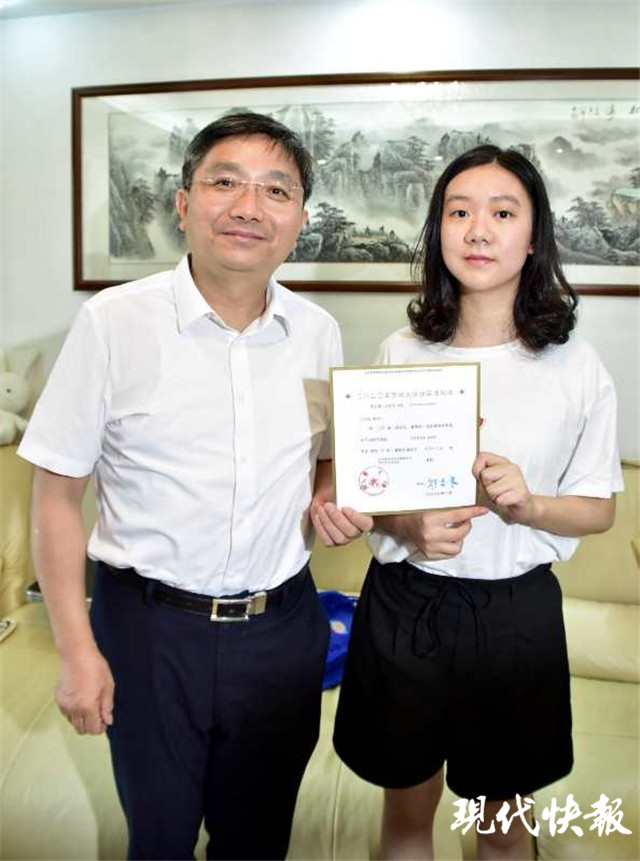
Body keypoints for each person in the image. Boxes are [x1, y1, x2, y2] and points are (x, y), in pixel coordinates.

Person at [18, 112, 370, 861]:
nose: (249, 206)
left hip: (282, 628)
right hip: (149, 631)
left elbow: (324, 458)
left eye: (276, 190)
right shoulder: (112, 324)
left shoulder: (318, 332)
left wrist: (328, 494)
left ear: (300, 221)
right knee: (160, 838)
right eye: (225, 182)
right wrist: (77, 650)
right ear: (183, 204)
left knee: (258, 842)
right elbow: (54, 494)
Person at [311, 144, 622, 860]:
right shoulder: (401, 349)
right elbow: (371, 493)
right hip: (404, 604)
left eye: (502, 213)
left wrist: (530, 506)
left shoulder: (573, 365)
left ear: (534, 236)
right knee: (406, 817)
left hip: (513, 615)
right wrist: (406, 525)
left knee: (502, 826)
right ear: (439, 229)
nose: (478, 230)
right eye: (459, 212)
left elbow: (598, 508)